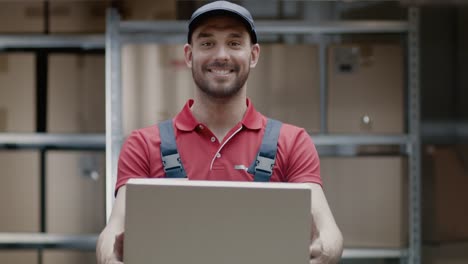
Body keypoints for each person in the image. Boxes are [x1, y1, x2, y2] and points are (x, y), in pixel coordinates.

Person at [96, 1, 343, 263]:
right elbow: (115, 228)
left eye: (234, 43)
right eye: (207, 43)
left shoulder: (292, 142)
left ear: (254, 54)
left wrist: (327, 248)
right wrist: (108, 256)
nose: (221, 55)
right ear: (189, 55)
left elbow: (328, 230)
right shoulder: (144, 144)